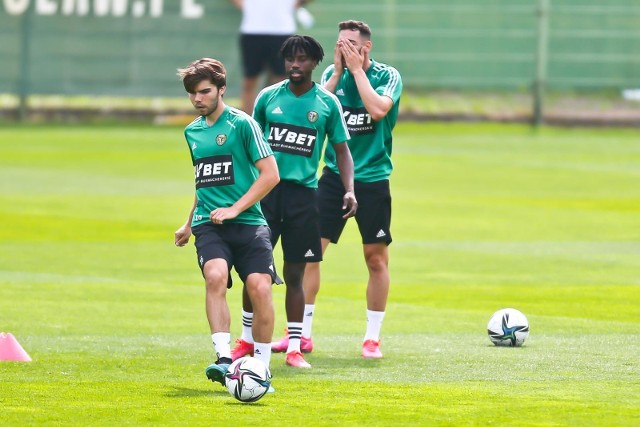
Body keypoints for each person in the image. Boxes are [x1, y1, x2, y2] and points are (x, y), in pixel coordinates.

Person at [230, 35, 357, 369]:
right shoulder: (268, 98)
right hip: (266, 195)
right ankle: (244, 340)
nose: (294, 65)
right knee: (254, 271)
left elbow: (342, 150)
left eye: (302, 59)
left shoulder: (327, 104)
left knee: (296, 273)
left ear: (314, 63)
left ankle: (295, 348)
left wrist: (349, 189)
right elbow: (249, 144)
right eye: (290, 59)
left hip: (303, 197)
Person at [174, 57, 280, 388]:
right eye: (192, 93)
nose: (197, 99)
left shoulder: (243, 124)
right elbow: (202, 181)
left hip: (248, 222)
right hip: (209, 224)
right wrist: (189, 222)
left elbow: (271, 175)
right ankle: (223, 359)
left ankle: (261, 368)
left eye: (204, 92)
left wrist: (235, 208)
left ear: (221, 89)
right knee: (215, 276)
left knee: (259, 287)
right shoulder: (192, 132)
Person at [301, 20, 403, 359]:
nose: (345, 50)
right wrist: (336, 73)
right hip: (333, 177)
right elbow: (312, 112)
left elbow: (377, 110)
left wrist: (357, 72)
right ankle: (302, 334)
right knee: (309, 253)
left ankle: (372, 338)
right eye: (340, 44)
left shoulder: (388, 76)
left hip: (372, 178)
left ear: (367, 47)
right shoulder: (334, 73)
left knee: (375, 258)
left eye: (351, 45)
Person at [229, 0, 313, 113]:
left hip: (282, 31)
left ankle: (279, 122)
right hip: (252, 31)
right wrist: (246, 6)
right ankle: (249, 124)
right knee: (250, 81)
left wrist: (294, 4)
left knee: (283, 81)